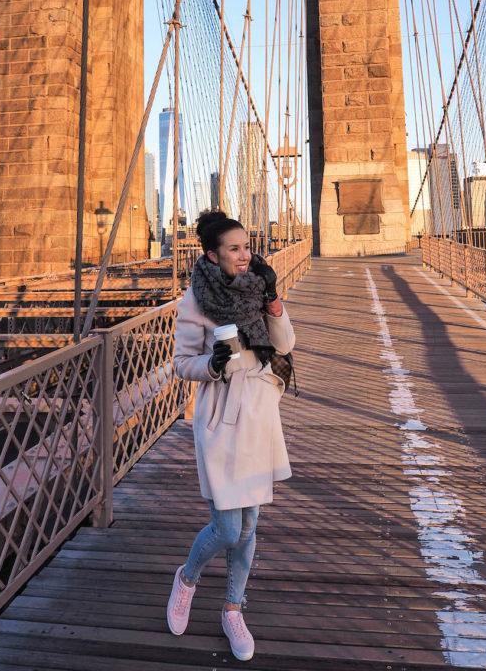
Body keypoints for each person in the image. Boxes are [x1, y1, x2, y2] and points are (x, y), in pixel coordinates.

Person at [166, 210, 296, 661]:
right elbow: (183, 363)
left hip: (259, 413)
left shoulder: (258, 285)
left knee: (250, 525)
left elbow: (284, 345)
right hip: (221, 420)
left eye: (247, 247)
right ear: (212, 255)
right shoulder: (195, 301)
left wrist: (276, 304)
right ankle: (187, 578)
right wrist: (214, 364)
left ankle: (232, 609)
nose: (245, 256)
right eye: (235, 249)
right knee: (227, 526)